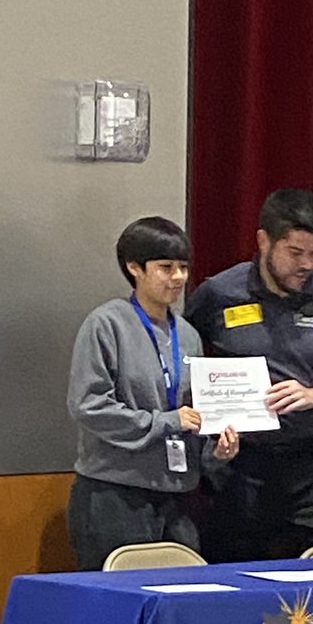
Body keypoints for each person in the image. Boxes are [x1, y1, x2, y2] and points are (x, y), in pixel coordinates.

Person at [184, 188, 313, 562]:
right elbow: (184, 359)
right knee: (235, 573)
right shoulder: (220, 293)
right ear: (263, 241)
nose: (306, 264)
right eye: (295, 253)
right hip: (241, 465)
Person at [66, 216, 239, 570]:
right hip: (114, 495)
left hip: (178, 497)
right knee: (118, 604)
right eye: (165, 267)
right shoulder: (106, 325)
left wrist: (217, 449)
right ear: (134, 268)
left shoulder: (188, 335)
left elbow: (194, 412)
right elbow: (88, 405)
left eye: (183, 268)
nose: (178, 277)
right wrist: (165, 422)